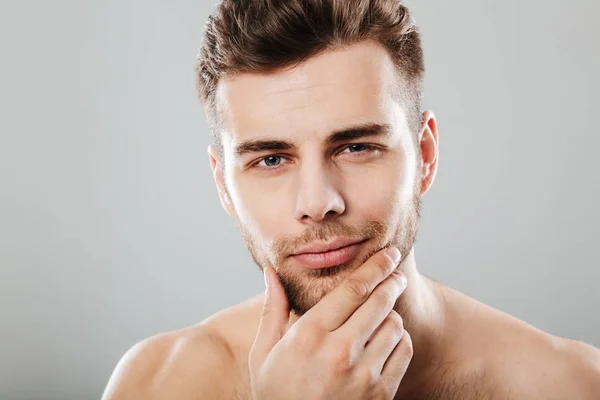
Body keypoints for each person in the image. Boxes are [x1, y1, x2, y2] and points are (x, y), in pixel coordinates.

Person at [101, 0, 600, 398]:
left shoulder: (571, 385)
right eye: (271, 159)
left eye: (357, 147)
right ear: (224, 186)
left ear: (425, 155)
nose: (318, 202)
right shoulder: (157, 385)